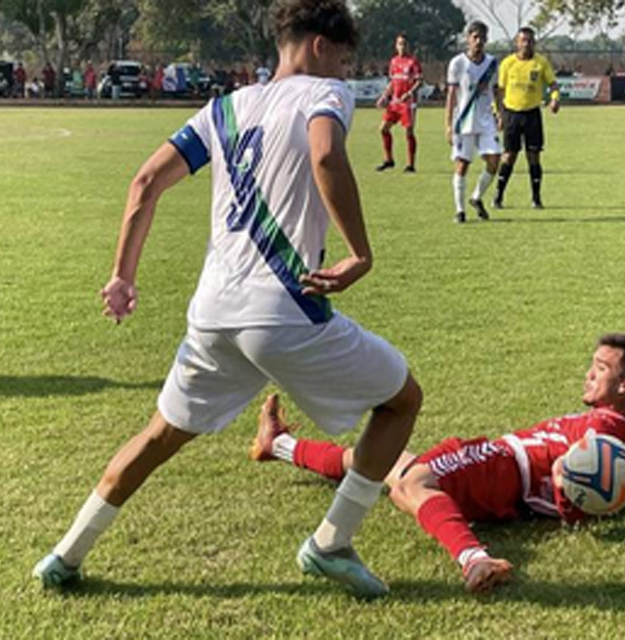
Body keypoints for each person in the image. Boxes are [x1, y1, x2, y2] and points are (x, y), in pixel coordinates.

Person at [32, 0, 422, 600]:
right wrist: (360, 252)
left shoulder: (224, 108)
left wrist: (121, 276)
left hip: (212, 314)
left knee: (160, 435)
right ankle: (330, 542)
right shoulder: (325, 95)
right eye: (343, 60)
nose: (345, 74)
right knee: (401, 401)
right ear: (320, 46)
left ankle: (65, 555)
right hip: (284, 312)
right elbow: (324, 152)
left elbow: (145, 183)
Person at [252, 333, 625, 593]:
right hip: (508, 485)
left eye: (601, 369)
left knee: (411, 483)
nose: (588, 374)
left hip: (504, 466)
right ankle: (279, 444)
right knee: (380, 462)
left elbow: (578, 481)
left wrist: (572, 489)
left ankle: (474, 559)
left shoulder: (602, 428)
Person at [493, 27, 560, 211]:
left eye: (530, 40)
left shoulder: (541, 63)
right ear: (517, 42)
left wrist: (554, 99)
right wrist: (497, 114)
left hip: (532, 114)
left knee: (534, 156)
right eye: (523, 40)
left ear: (534, 42)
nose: (526, 44)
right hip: (511, 114)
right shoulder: (508, 63)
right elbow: (499, 91)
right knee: (509, 156)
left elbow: (553, 84)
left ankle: (536, 199)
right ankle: (498, 196)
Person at [445, 21, 503, 224]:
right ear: (468, 38)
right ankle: (460, 211)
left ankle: (476, 197)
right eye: (474, 37)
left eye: (482, 37)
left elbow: (496, 90)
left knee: (495, 160)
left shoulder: (492, 63)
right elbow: (451, 94)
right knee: (462, 165)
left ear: (486, 39)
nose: (478, 41)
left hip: (486, 120)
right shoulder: (457, 63)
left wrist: (500, 113)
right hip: (464, 121)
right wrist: (448, 124)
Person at [375, 33, 422, 173]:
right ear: (396, 46)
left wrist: (410, 93)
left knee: (408, 132)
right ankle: (389, 160)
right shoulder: (394, 62)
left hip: (408, 103)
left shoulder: (413, 62)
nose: (402, 46)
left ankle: (411, 165)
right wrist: (384, 96)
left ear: (408, 46)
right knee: (383, 129)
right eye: (400, 44)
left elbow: (419, 81)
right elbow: (393, 82)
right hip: (394, 102)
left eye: (404, 44)